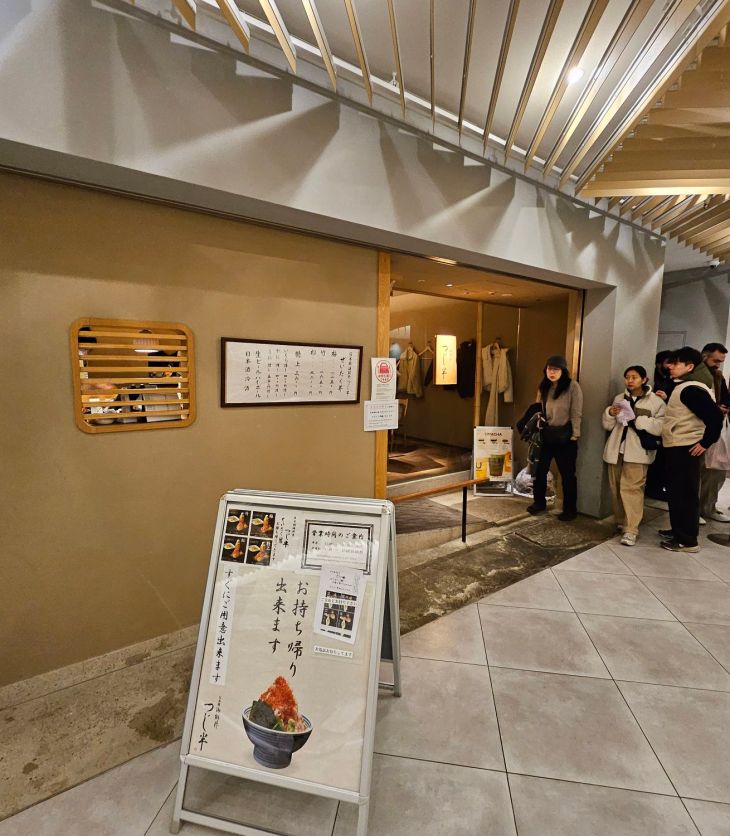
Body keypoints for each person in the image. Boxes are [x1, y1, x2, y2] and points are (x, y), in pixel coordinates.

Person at [660, 347, 723, 553]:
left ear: (689, 366)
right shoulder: (684, 386)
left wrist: (705, 442)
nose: (670, 366)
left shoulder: (691, 389)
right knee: (676, 492)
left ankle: (687, 541)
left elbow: (715, 417)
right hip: (677, 445)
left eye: (676, 363)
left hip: (685, 448)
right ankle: (679, 531)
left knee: (684, 494)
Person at [603, 366, 665, 546]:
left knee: (632, 490)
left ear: (644, 380)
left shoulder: (656, 402)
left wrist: (638, 419)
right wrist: (610, 413)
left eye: (634, 377)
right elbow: (608, 426)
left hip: (638, 452)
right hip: (616, 450)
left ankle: (631, 529)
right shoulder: (619, 398)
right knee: (615, 488)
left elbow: (661, 426)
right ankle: (621, 521)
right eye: (627, 377)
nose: (630, 381)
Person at [528, 355, 583, 522]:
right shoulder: (544, 386)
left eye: (556, 369)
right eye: (549, 369)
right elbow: (538, 409)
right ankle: (539, 503)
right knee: (540, 471)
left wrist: (575, 435)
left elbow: (576, 412)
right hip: (546, 435)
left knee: (567, 475)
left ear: (563, 371)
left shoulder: (572, 386)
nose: (551, 372)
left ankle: (570, 509)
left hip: (566, 437)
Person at [699, 342, 730, 522]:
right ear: (705, 356)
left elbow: (725, 398)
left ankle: (708, 507)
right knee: (700, 471)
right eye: (716, 360)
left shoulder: (718, 376)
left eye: (721, 361)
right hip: (699, 429)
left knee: (716, 470)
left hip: (715, 427)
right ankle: (696, 510)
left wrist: (723, 407)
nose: (718, 365)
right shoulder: (695, 376)